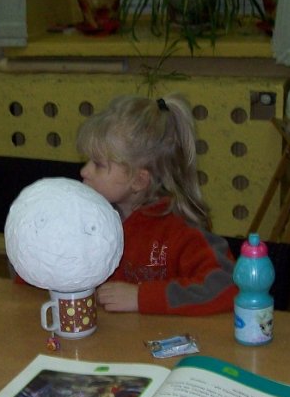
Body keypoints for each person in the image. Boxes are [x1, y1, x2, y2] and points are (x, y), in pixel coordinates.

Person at [78, 93, 236, 316]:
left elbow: (228, 286)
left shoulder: (180, 230)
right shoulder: (86, 217)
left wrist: (141, 297)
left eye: (98, 164)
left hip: (162, 334)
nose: (84, 171)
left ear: (138, 180)